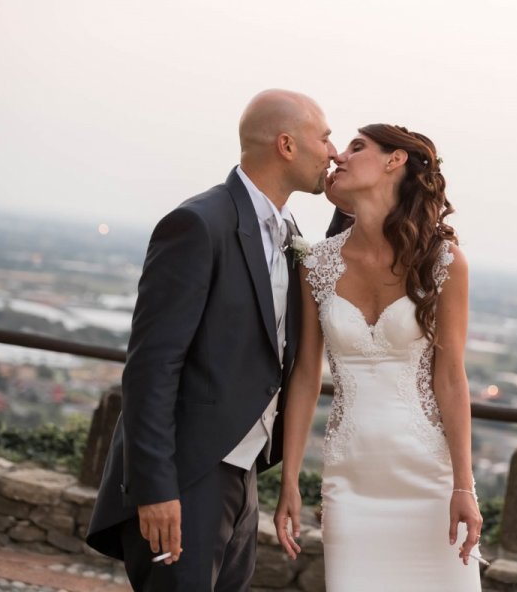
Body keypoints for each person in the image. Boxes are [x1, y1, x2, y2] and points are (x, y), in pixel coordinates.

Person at [86, 89, 337, 591]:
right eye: (325, 137)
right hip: (187, 476)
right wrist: (156, 489)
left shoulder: (289, 231)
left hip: (241, 479)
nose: (333, 151)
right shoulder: (199, 224)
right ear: (286, 145)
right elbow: (151, 367)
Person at [274, 124, 483, 591]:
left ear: (395, 160)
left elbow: (451, 380)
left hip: (428, 480)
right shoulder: (317, 264)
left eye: (356, 147)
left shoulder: (444, 261)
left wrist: (463, 487)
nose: (338, 157)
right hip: (351, 481)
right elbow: (306, 376)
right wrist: (290, 479)